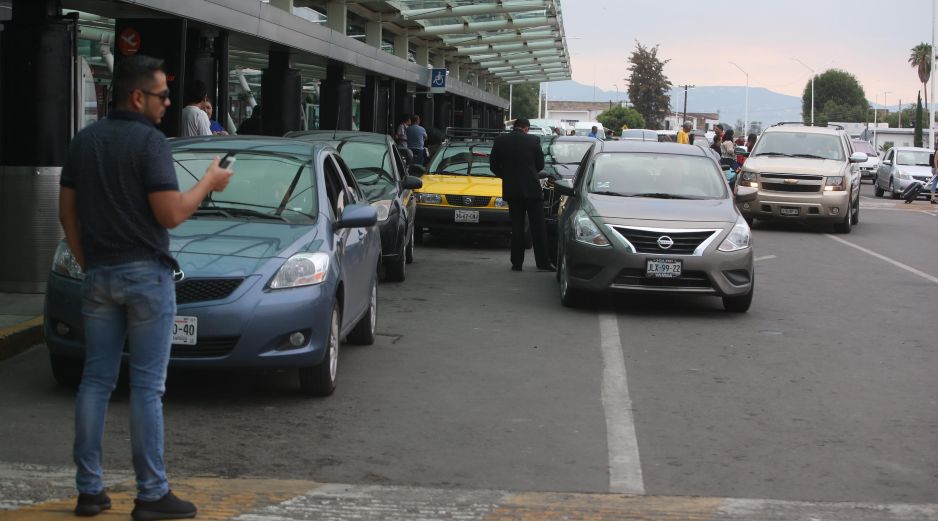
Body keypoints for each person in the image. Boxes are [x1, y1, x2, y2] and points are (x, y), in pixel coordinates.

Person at [58, 55, 234, 520]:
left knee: (94, 382)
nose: (168, 104)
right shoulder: (150, 143)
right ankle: (151, 494)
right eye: (161, 96)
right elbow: (171, 213)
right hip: (146, 277)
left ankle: (89, 491)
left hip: (99, 276)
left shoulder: (84, 141)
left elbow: (66, 214)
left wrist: (89, 264)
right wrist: (209, 183)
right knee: (146, 387)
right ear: (138, 97)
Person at [489, 118, 553, 272]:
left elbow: (493, 166)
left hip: (512, 190)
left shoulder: (500, 141)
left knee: (517, 227)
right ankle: (542, 262)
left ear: (514, 127)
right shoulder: (533, 140)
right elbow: (540, 165)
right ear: (526, 129)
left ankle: (516, 263)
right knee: (538, 227)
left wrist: (507, 176)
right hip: (532, 190)